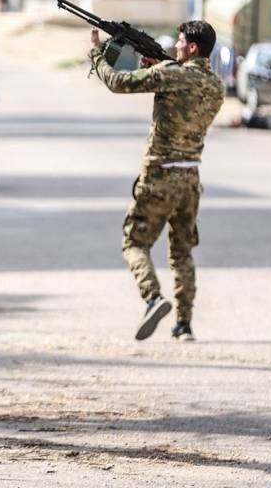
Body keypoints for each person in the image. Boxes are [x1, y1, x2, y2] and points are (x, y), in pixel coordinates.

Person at [88, 21, 225, 342]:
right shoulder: (217, 86)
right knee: (182, 251)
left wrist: (97, 55)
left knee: (134, 242)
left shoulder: (171, 75)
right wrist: (161, 67)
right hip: (190, 176)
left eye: (180, 43)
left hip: (160, 173)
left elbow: (118, 82)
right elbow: (183, 87)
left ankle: (152, 298)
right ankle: (184, 324)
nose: (175, 46)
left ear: (192, 48)